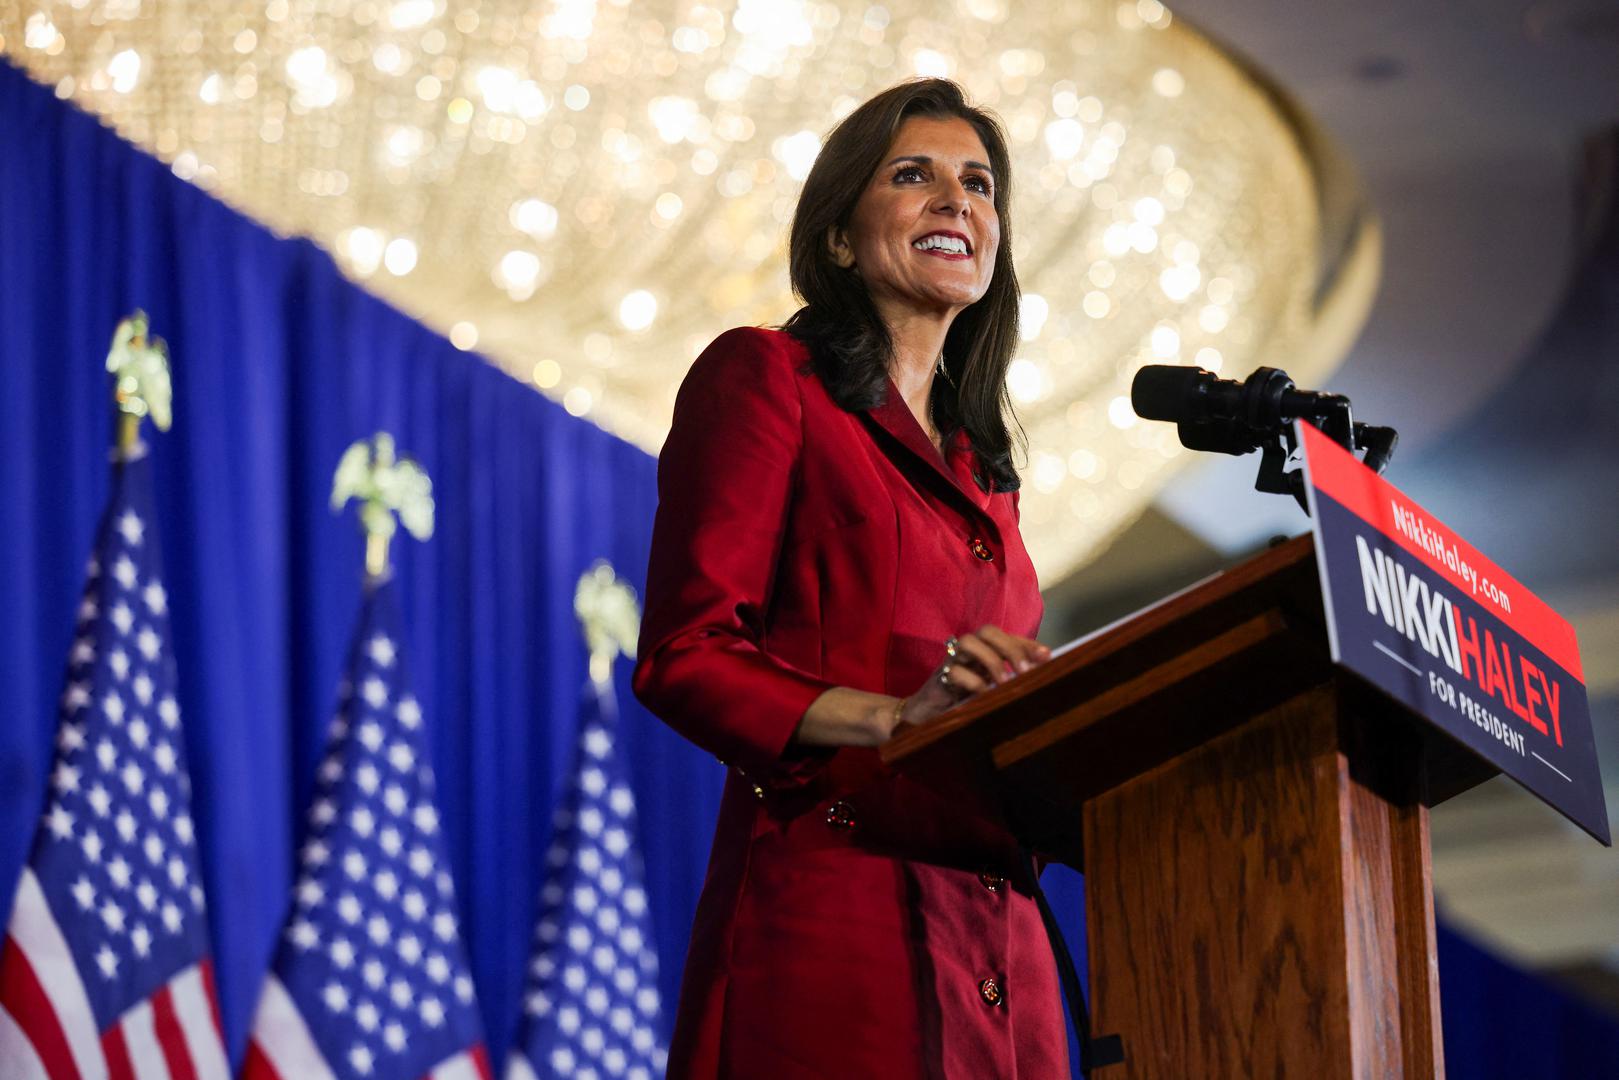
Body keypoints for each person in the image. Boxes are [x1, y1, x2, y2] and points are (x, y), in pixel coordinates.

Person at [633, 78, 1064, 1078]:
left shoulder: (988, 482)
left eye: (977, 184)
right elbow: (683, 656)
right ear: (836, 238)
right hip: (837, 919)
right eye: (912, 176)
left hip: (1007, 962)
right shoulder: (765, 379)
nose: (955, 201)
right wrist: (888, 718)